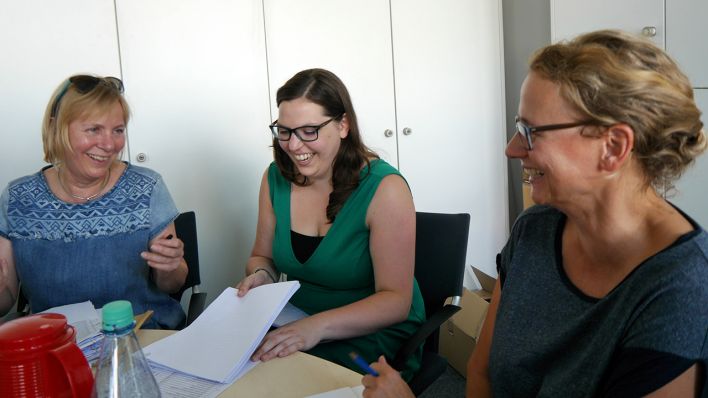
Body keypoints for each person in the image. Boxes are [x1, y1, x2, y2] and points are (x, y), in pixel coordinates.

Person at [362, 29, 708, 397]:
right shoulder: (535, 229)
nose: (512, 149)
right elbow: (483, 373)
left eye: (530, 131)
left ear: (613, 146)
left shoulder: (679, 287)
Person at [235, 68, 425, 380]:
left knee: (279, 375)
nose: (294, 146)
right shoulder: (275, 178)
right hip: (298, 320)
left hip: (369, 330)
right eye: (284, 131)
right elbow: (262, 256)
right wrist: (261, 275)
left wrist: (316, 328)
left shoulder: (386, 188)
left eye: (309, 130)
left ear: (343, 125)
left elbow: (395, 301)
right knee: (249, 369)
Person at [0, 75, 187, 329]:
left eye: (118, 131)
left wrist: (170, 267)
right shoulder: (18, 198)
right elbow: (6, 300)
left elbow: (172, 285)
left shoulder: (146, 187)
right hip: (56, 346)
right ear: (57, 128)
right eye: (94, 129)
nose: (109, 144)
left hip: (140, 338)